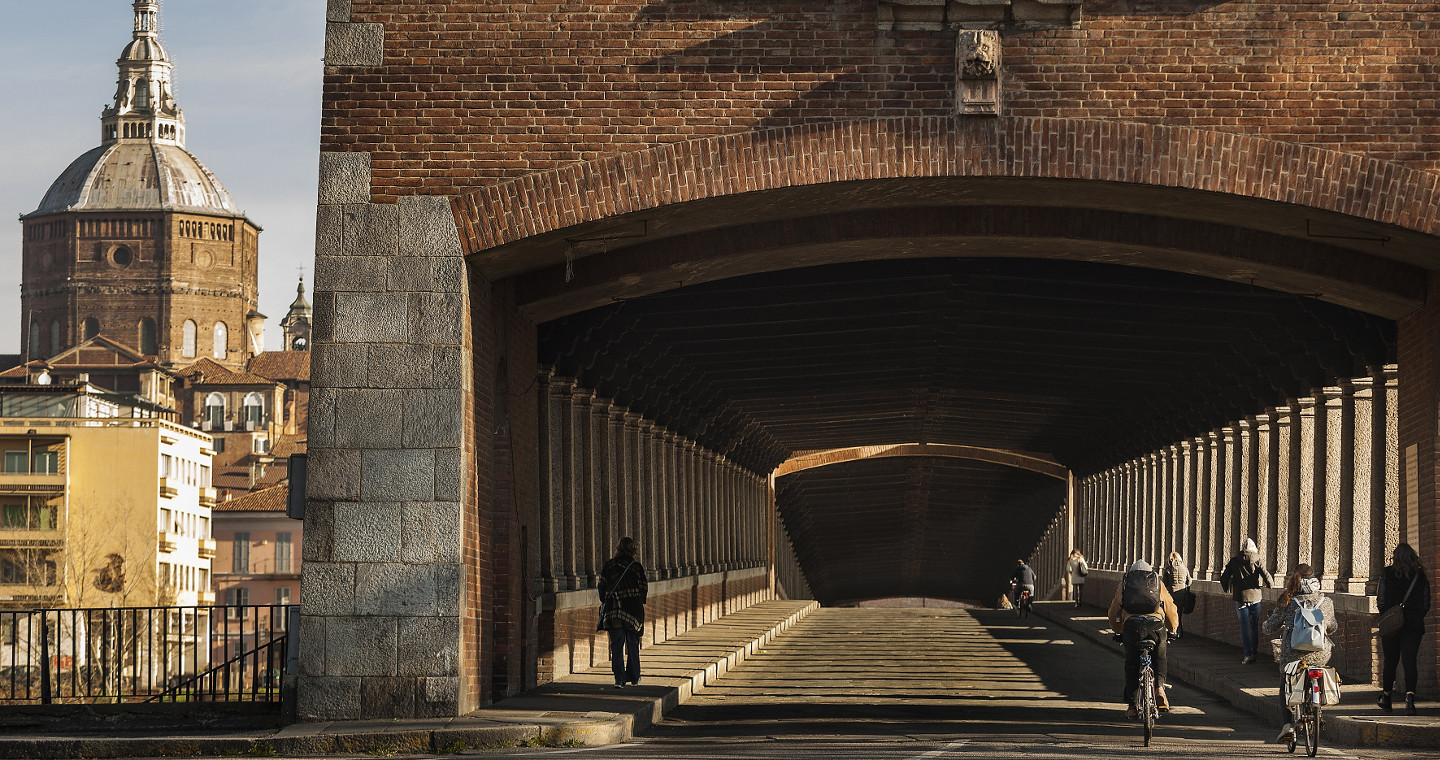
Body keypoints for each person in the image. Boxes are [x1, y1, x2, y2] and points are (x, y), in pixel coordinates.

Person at [1262, 564, 1336, 743]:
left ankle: (1288, 725)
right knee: (1319, 666)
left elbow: (1270, 627)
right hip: (1320, 653)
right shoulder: (1326, 602)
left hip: (1293, 655)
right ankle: (1316, 706)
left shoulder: (1288, 601)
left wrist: (1266, 624)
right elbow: (1332, 627)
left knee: (1284, 683)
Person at [1109, 560, 1180, 718]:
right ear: (1150, 572)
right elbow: (1170, 606)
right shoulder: (1156, 581)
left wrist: (1117, 629)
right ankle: (1160, 688)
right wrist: (1173, 629)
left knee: (1132, 664)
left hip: (1132, 627)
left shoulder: (1125, 582)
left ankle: (1133, 707)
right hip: (1156, 626)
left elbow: (1115, 608)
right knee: (1160, 658)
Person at [1377, 543, 1430, 715]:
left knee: (1390, 661)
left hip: (1392, 625)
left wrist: (1387, 615)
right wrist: (1416, 615)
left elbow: (1381, 599)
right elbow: (1426, 602)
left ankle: (1386, 698)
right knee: (1409, 661)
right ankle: (1410, 700)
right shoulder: (1420, 576)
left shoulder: (1387, 573)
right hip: (1413, 625)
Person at [597, 536, 647, 688]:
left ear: (618, 548)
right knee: (632, 645)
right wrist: (637, 601)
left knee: (616, 646)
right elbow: (643, 589)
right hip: (633, 612)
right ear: (633, 550)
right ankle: (634, 677)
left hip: (614, 612)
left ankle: (619, 679)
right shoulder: (636, 567)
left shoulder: (609, 565)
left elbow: (601, 587)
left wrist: (606, 599)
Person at [1220, 537, 1274, 664]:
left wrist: (1226, 589)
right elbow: (1266, 575)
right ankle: (1254, 653)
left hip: (1241, 597)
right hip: (1255, 597)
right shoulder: (1257, 559)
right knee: (1254, 626)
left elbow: (1224, 578)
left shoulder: (1234, 561)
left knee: (1244, 627)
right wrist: (1270, 585)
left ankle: (1247, 655)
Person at [1162, 551, 1192, 636]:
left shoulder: (1169, 569)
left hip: (1172, 593)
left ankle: (1174, 630)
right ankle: (1180, 631)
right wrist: (1184, 586)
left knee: (1172, 613)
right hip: (1182, 593)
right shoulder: (1184, 568)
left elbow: (1165, 582)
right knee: (1179, 613)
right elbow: (1189, 581)